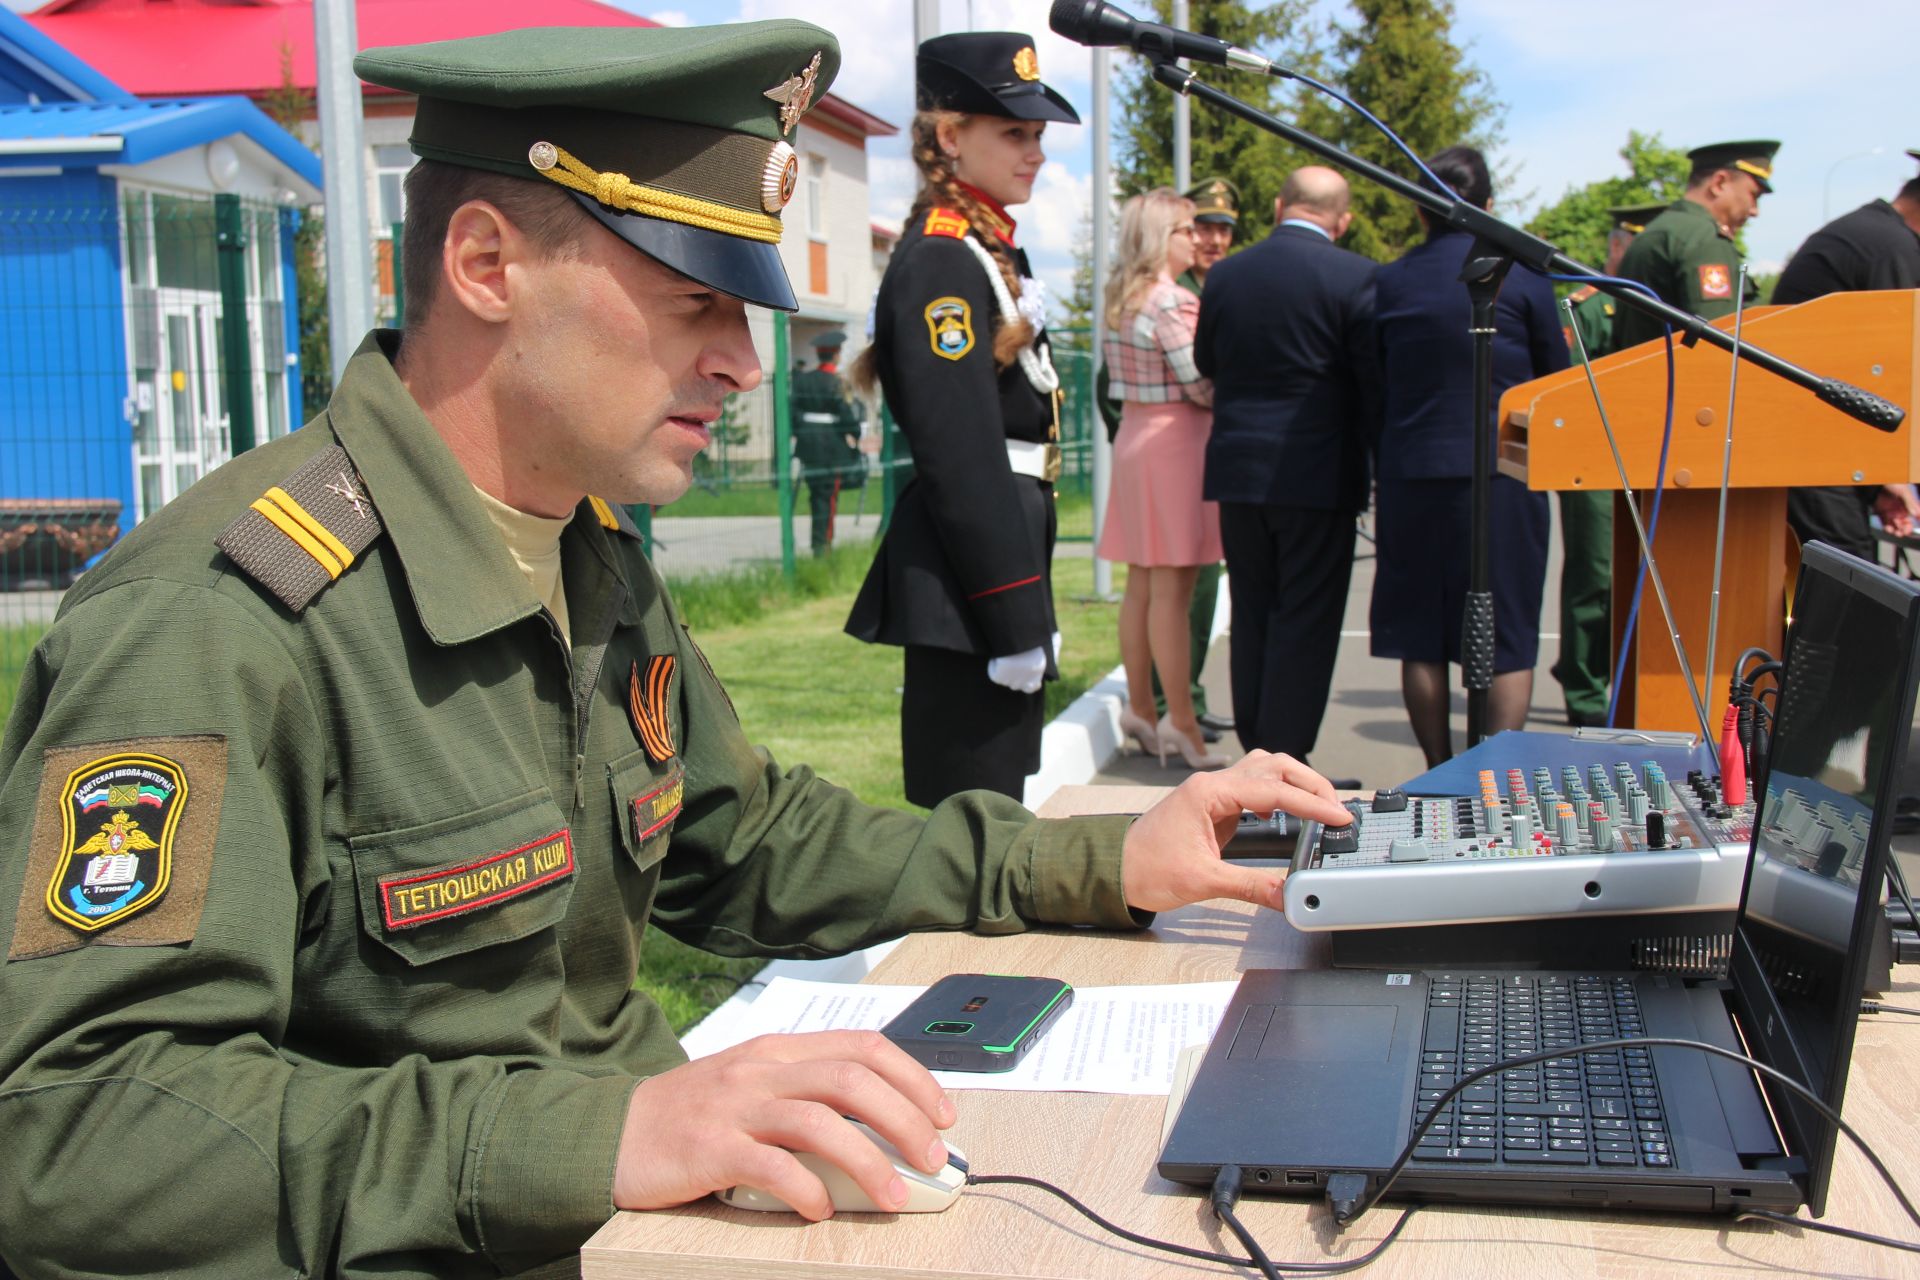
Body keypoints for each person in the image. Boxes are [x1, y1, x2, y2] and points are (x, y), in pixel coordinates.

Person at [0, 24, 1356, 1279]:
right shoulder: (225, 624)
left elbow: (753, 841)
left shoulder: (584, 556)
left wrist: (1099, 857)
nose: (743, 362)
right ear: (485, 266)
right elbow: (75, 1135)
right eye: (695, 296)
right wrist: (598, 1138)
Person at [845, 32, 1074, 808]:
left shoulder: (983, 247)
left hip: (993, 559)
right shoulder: (944, 258)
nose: (1035, 152)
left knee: (995, 807)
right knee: (971, 820)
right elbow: (962, 451)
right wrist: (1014, 615)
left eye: (1038, 134)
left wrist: (1029, 610)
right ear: (950, 136)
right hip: (967, 573)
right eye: (1014, 133)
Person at [1369, 146, 1569, 767]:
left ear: (1421, 212)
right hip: (1503, 476)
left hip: (1412, 474)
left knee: (1420, 637)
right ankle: (1494, 777)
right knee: (1507, 636)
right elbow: (1554, 383)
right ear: (1487, 207)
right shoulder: (1525, 277)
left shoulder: (1389, 280)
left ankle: (1436, 767)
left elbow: (1375, 378)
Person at [1196, 166, 1379, 771]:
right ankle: (1287, 758)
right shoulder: (1356, 278)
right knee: (1307, 614)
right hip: (1317, 472)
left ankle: (1257, 753)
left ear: (1279, 206)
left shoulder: (1225, 275)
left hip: (1240, 470)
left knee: (1252, 609)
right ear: (1343, 219)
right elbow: (1368, 378)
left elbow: (1207, 359)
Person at [1097, 188, 1227, 770]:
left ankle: (1143, 711)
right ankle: (1182, 722)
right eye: (1186, 229)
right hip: (1175, 443)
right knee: (1171, 589)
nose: (1197, 238)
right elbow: (1201, 384)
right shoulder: (1174, 302)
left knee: (1142, 584)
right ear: (1160, 238)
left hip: (1135, 438)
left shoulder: (1121, 298)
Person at [1552, 201, 1665, 728]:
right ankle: (1586, 694)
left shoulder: (1662, 305)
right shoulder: (1588, 307)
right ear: (1619, 249)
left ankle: (1638, 690)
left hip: (1656, 464)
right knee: (1595, 579)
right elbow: (1572, 391)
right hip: (1597, 462)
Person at [1776, 148, 1920, 561]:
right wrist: (1890, 471)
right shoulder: (1890, 249)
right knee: (1849, 583)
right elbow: (1888, 366)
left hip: (1822, 444)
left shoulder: (1875, 234)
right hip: (1813, 448)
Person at [1612, 140, 1779, 352]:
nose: (1755, 210)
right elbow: (1719, 340)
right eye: (1753, 195)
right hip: (1686, 382)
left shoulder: (1656, 231)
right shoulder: (1704, 239)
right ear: (1719, 183)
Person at [791, 329, 864, 555]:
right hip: (832, 449)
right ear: (836, 354)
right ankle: (824, 546)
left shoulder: (803, 381)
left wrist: (804, 433)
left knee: (816, 496)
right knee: (829, 498)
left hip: (809, 448)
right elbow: (846, 415)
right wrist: (856, 434)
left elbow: (793, 414)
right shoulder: (837, 383)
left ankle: (818, 543)